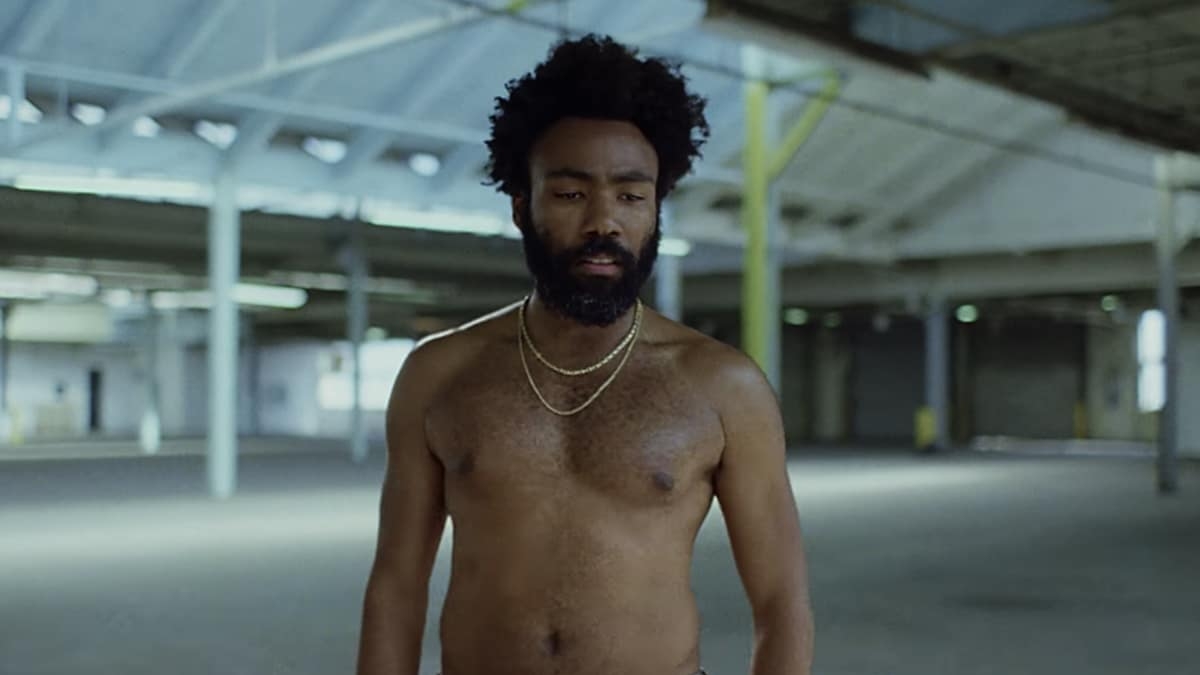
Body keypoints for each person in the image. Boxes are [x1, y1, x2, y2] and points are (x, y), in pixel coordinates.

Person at [356, 34, 813, 675]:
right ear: (522, 207)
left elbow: (780, 602)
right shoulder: (440, 374)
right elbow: (396, 590)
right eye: (571, 194)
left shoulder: (723, 387)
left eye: (631, 196)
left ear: (656, 213)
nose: (604, 221)